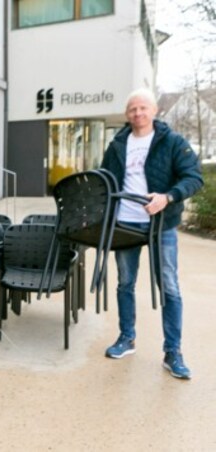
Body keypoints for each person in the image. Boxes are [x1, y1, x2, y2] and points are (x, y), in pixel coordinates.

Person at [100, 88, 203, 379]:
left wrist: (168, 197)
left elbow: (193, 178)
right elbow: (106, 178)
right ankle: (126, 338)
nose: (138, 113)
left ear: (155, 110)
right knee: (125, 283)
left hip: (162, 225)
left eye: (143, 108)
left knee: (169, 286)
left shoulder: (172, 142)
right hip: (125, 223)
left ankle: (173, 351)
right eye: (133, 109)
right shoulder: (118, 143)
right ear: (126, 114)